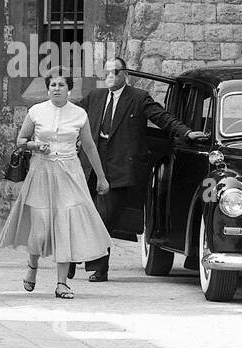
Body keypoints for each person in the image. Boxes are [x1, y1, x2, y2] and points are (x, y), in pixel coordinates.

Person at [71, 57, 207, 281]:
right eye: (106, 72)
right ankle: (73, 258)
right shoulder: (94, 97)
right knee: (82, 215)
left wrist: (186, 133)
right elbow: (71, 117)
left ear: (126, 74)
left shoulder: (138, 98)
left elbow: (162, 118)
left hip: (120, 167)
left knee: (104, 218)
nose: (110, 76)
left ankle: (98, 267)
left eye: (115, 71)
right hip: (91, 166)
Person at [0, 73, 110, 299]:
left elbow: (89, 146)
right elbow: (20, 140)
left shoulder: (79, 114)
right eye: (52, 85)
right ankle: (32, 266)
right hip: (41, 171)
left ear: (69, 89)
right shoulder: (37, 111)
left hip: (70, 172)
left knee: (65, 225)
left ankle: (62, 283)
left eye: (61, 85)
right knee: (39, 229)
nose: (56, 89)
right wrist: (35, 146)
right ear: (47, 88)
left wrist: (101, 177)